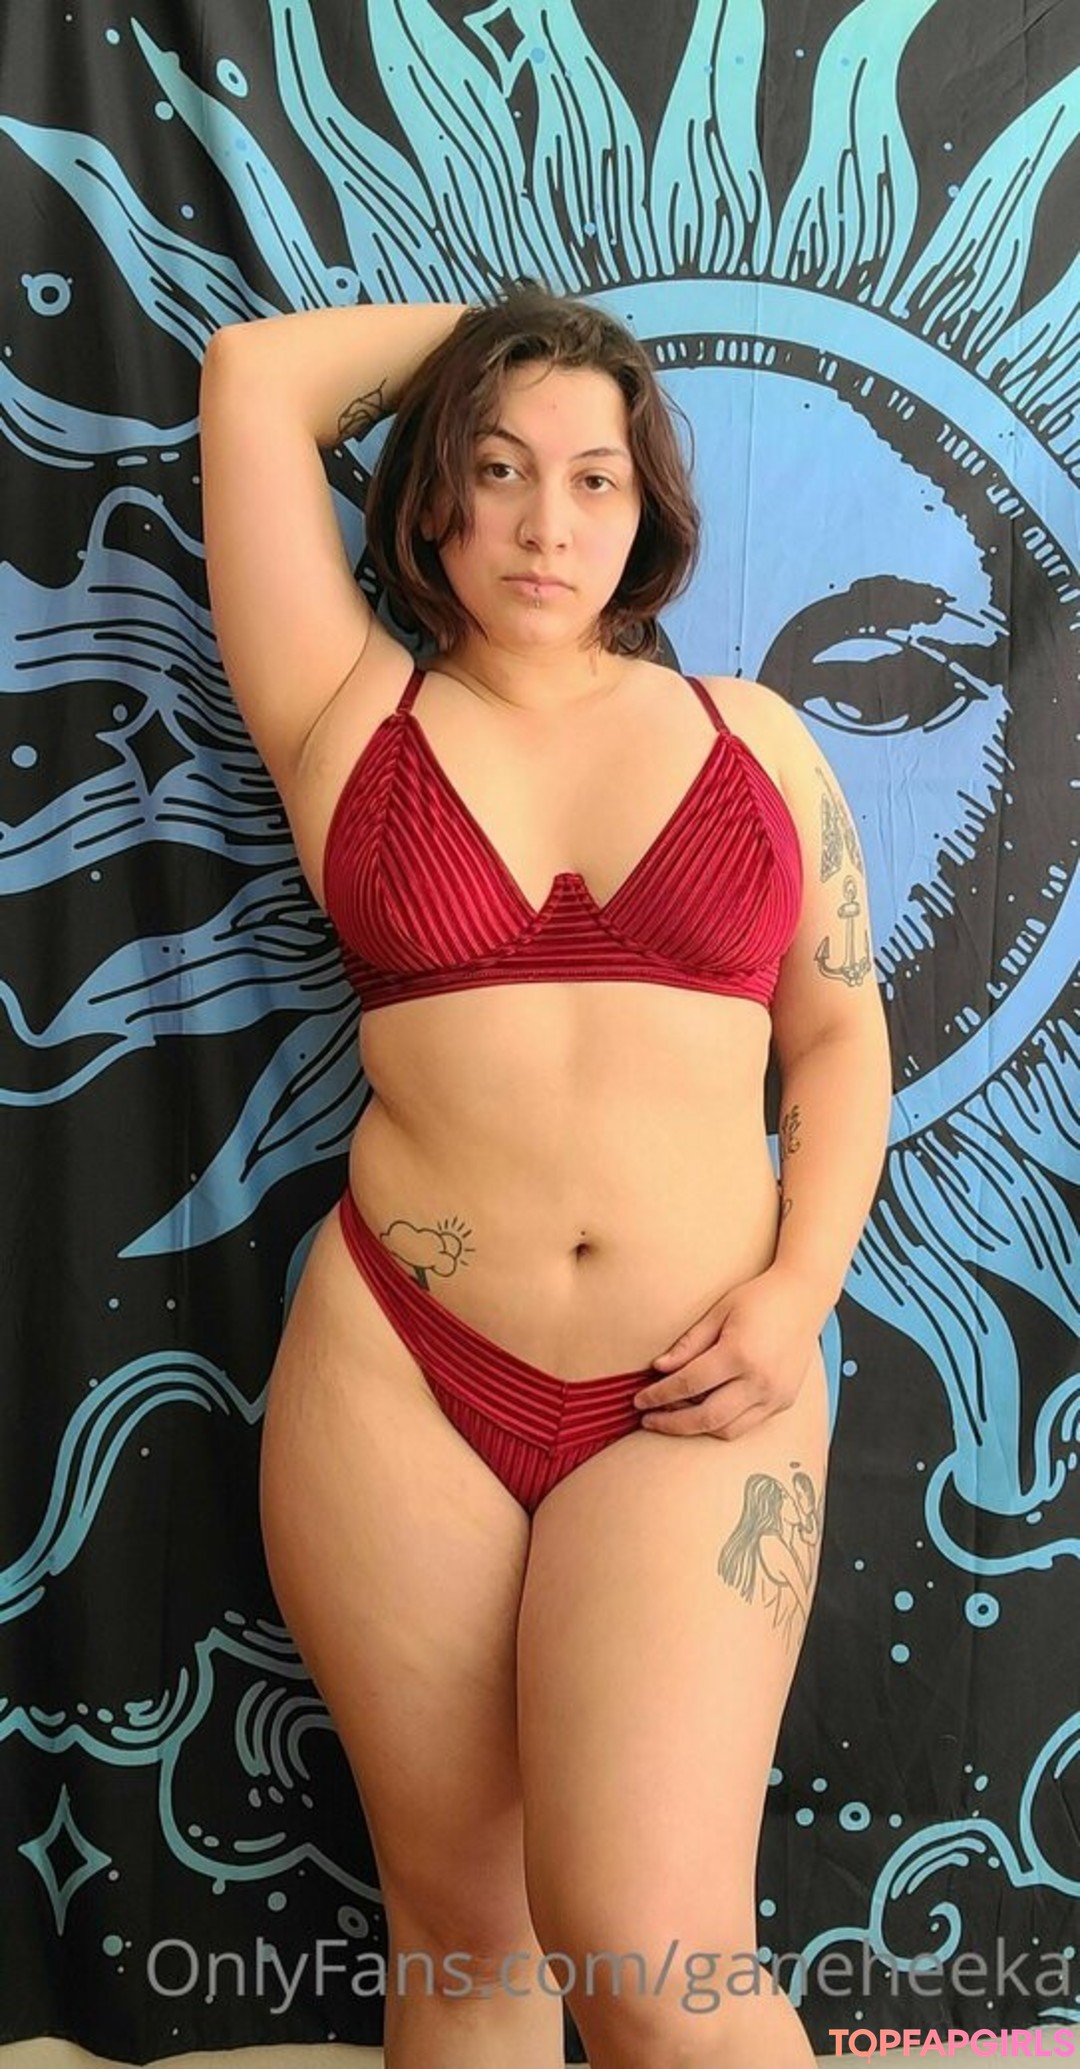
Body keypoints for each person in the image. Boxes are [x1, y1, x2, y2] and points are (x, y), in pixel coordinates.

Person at [198, 283, 892, 2069]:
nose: (544, 522)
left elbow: (838, 1044)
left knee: (657, 1960)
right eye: (497, 469)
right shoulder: (345, 707)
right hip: (400, 1378)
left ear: (646, 510)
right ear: (434, 496)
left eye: (595, 477)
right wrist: (526, 331)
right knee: (462, 1940)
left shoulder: (754, 738)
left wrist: (798, 1291)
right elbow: (255, 377)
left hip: (696, 1384)